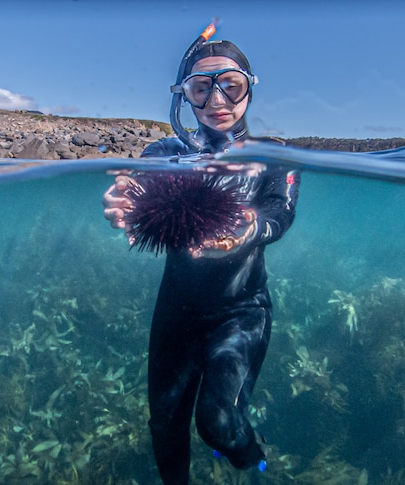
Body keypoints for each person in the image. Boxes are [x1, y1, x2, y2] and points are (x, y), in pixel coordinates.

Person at [102, 25, 300, 485]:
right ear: (184, 96)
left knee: (218, 423)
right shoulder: (165, 153)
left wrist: (248, 226)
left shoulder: (273, 155)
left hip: (241, 310)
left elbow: (278, 213)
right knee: (164, 425)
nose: (216, 100)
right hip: (176, 311)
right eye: (200, 88)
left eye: (230, 85)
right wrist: (123, 203)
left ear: (249, 87)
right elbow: (136, 190)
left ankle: (252, 460)